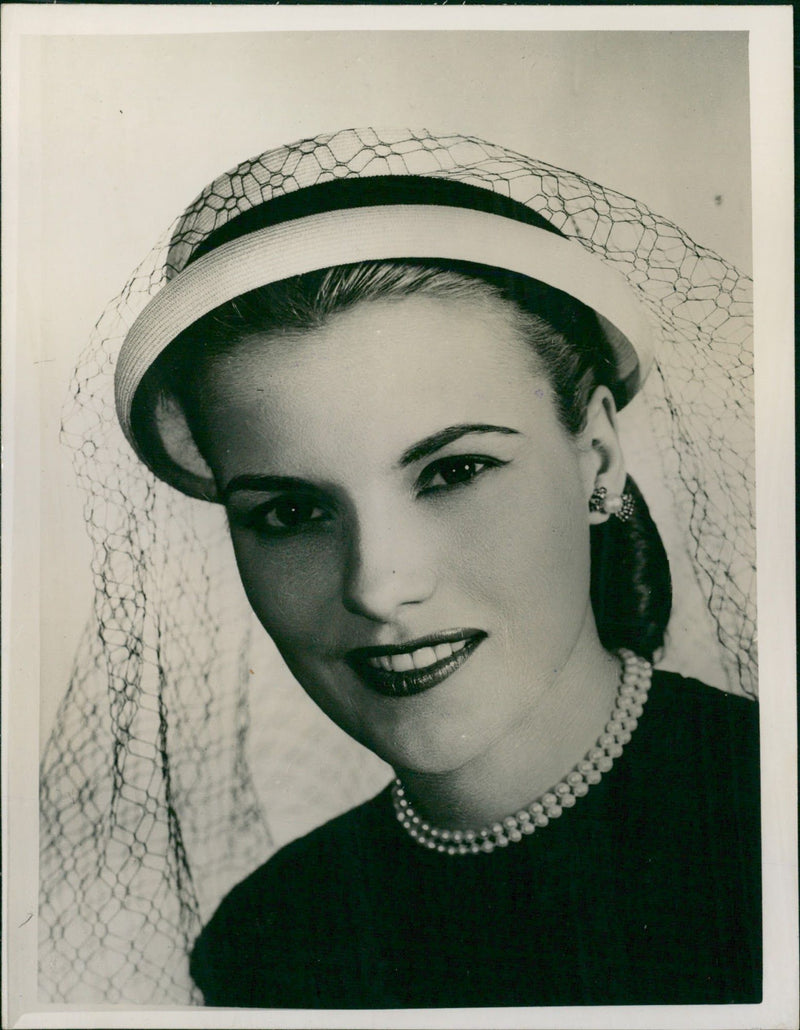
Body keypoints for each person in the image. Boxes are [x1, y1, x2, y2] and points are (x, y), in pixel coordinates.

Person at [39, 129, 760, 1008]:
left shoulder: (768, 820)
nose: (376, 587)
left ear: (598, 460)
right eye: (291, 513)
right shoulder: (271, 941)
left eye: (454, 472)